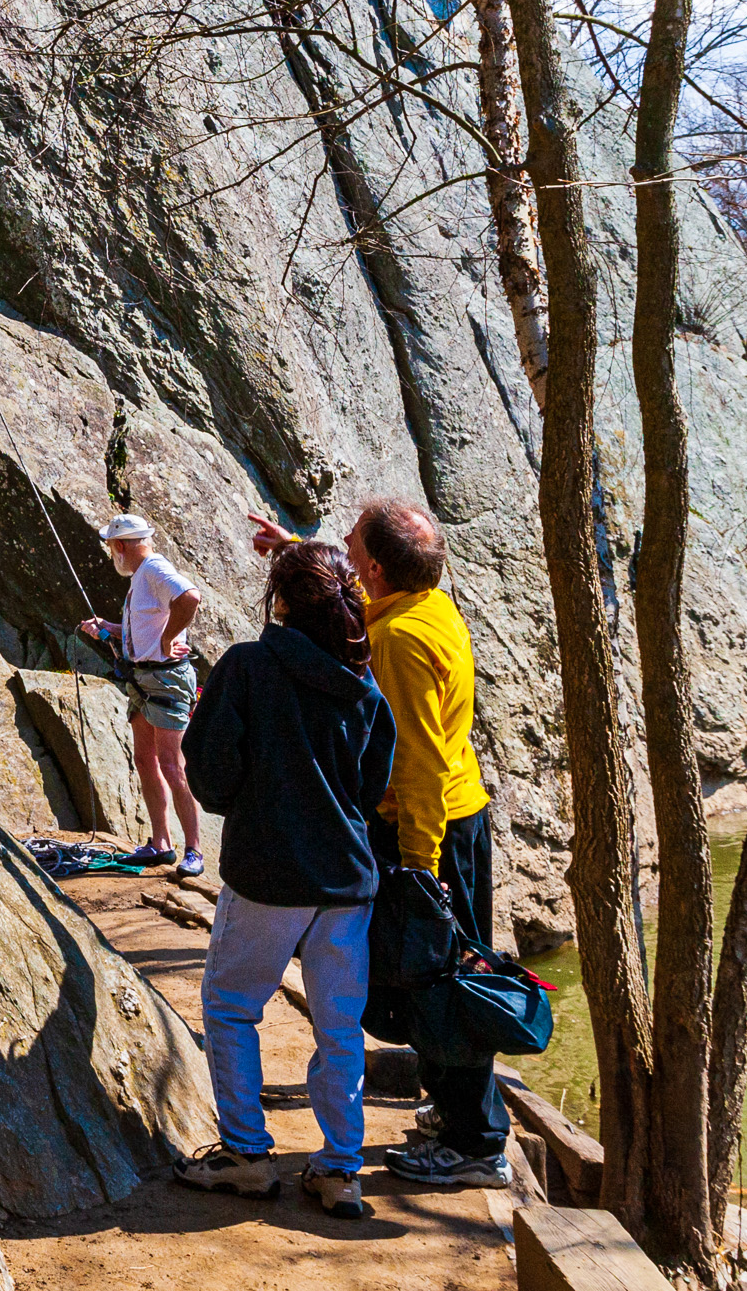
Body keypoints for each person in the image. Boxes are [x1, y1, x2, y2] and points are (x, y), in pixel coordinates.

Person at [249, 498, 512, 1188]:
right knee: (436, 976)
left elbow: (418, 764)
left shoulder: (398, 642)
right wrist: (295, 550)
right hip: (453, 818)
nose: (341, 540)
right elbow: (355, 599)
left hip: (431, 832)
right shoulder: (423, 603)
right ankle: (457, 1115)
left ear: (374, 570)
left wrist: (421, 872)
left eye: (351, 543)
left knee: (441, 982)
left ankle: (475, 1144)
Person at [176, 540, 396, 1218]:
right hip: (346, 881)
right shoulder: (363, 686)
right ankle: (340, 1168)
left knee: (232, 1006)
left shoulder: (248, 665)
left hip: (267, 875)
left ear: (280, 600)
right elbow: (371, 787)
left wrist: (248, 797)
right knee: (340, 1027)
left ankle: (246, 1155)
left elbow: (209, 772)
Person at [75, 514, 207, 876]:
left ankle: (194, 850)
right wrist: (108, 628)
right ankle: (161, 844)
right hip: (143, 679)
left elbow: (190, 597)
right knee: (145, 760)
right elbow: (145, 626)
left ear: (120, 546)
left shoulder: (153, 569)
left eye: (110, 547)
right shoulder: (141, 576)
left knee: (171, 765)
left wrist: (168, 639)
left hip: (165, 680)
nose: (111, 554)